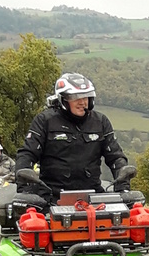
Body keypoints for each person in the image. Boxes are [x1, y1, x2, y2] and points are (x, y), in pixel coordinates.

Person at [15, 73, 130, 203]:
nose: (82, 102)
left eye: (86, 96)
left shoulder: (100, 121)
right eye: (75, 97)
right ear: (63, 99)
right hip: (51, 197)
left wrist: (123, 188)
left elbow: (115, 156)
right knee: (31, 222)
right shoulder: (44, 121)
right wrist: (26, 192)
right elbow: (27, 154)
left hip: (93, 197)